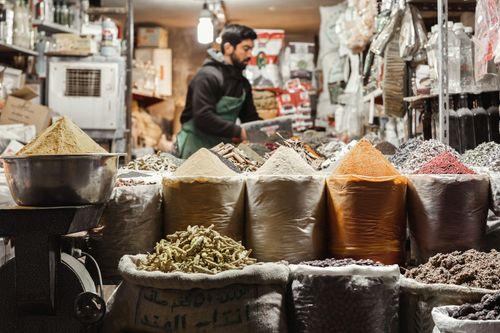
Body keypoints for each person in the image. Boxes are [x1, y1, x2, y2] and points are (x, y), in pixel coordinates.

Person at [176, 24, 261, 158]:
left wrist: (266, 128)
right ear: (228, 48)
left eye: (251, 49)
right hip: (194, 147)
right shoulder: (208, 76)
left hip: (221, 149)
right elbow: (203, 117)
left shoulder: (243, 84)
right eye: (246, 49)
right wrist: (239, 132)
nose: (250, 54)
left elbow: (249, 117)